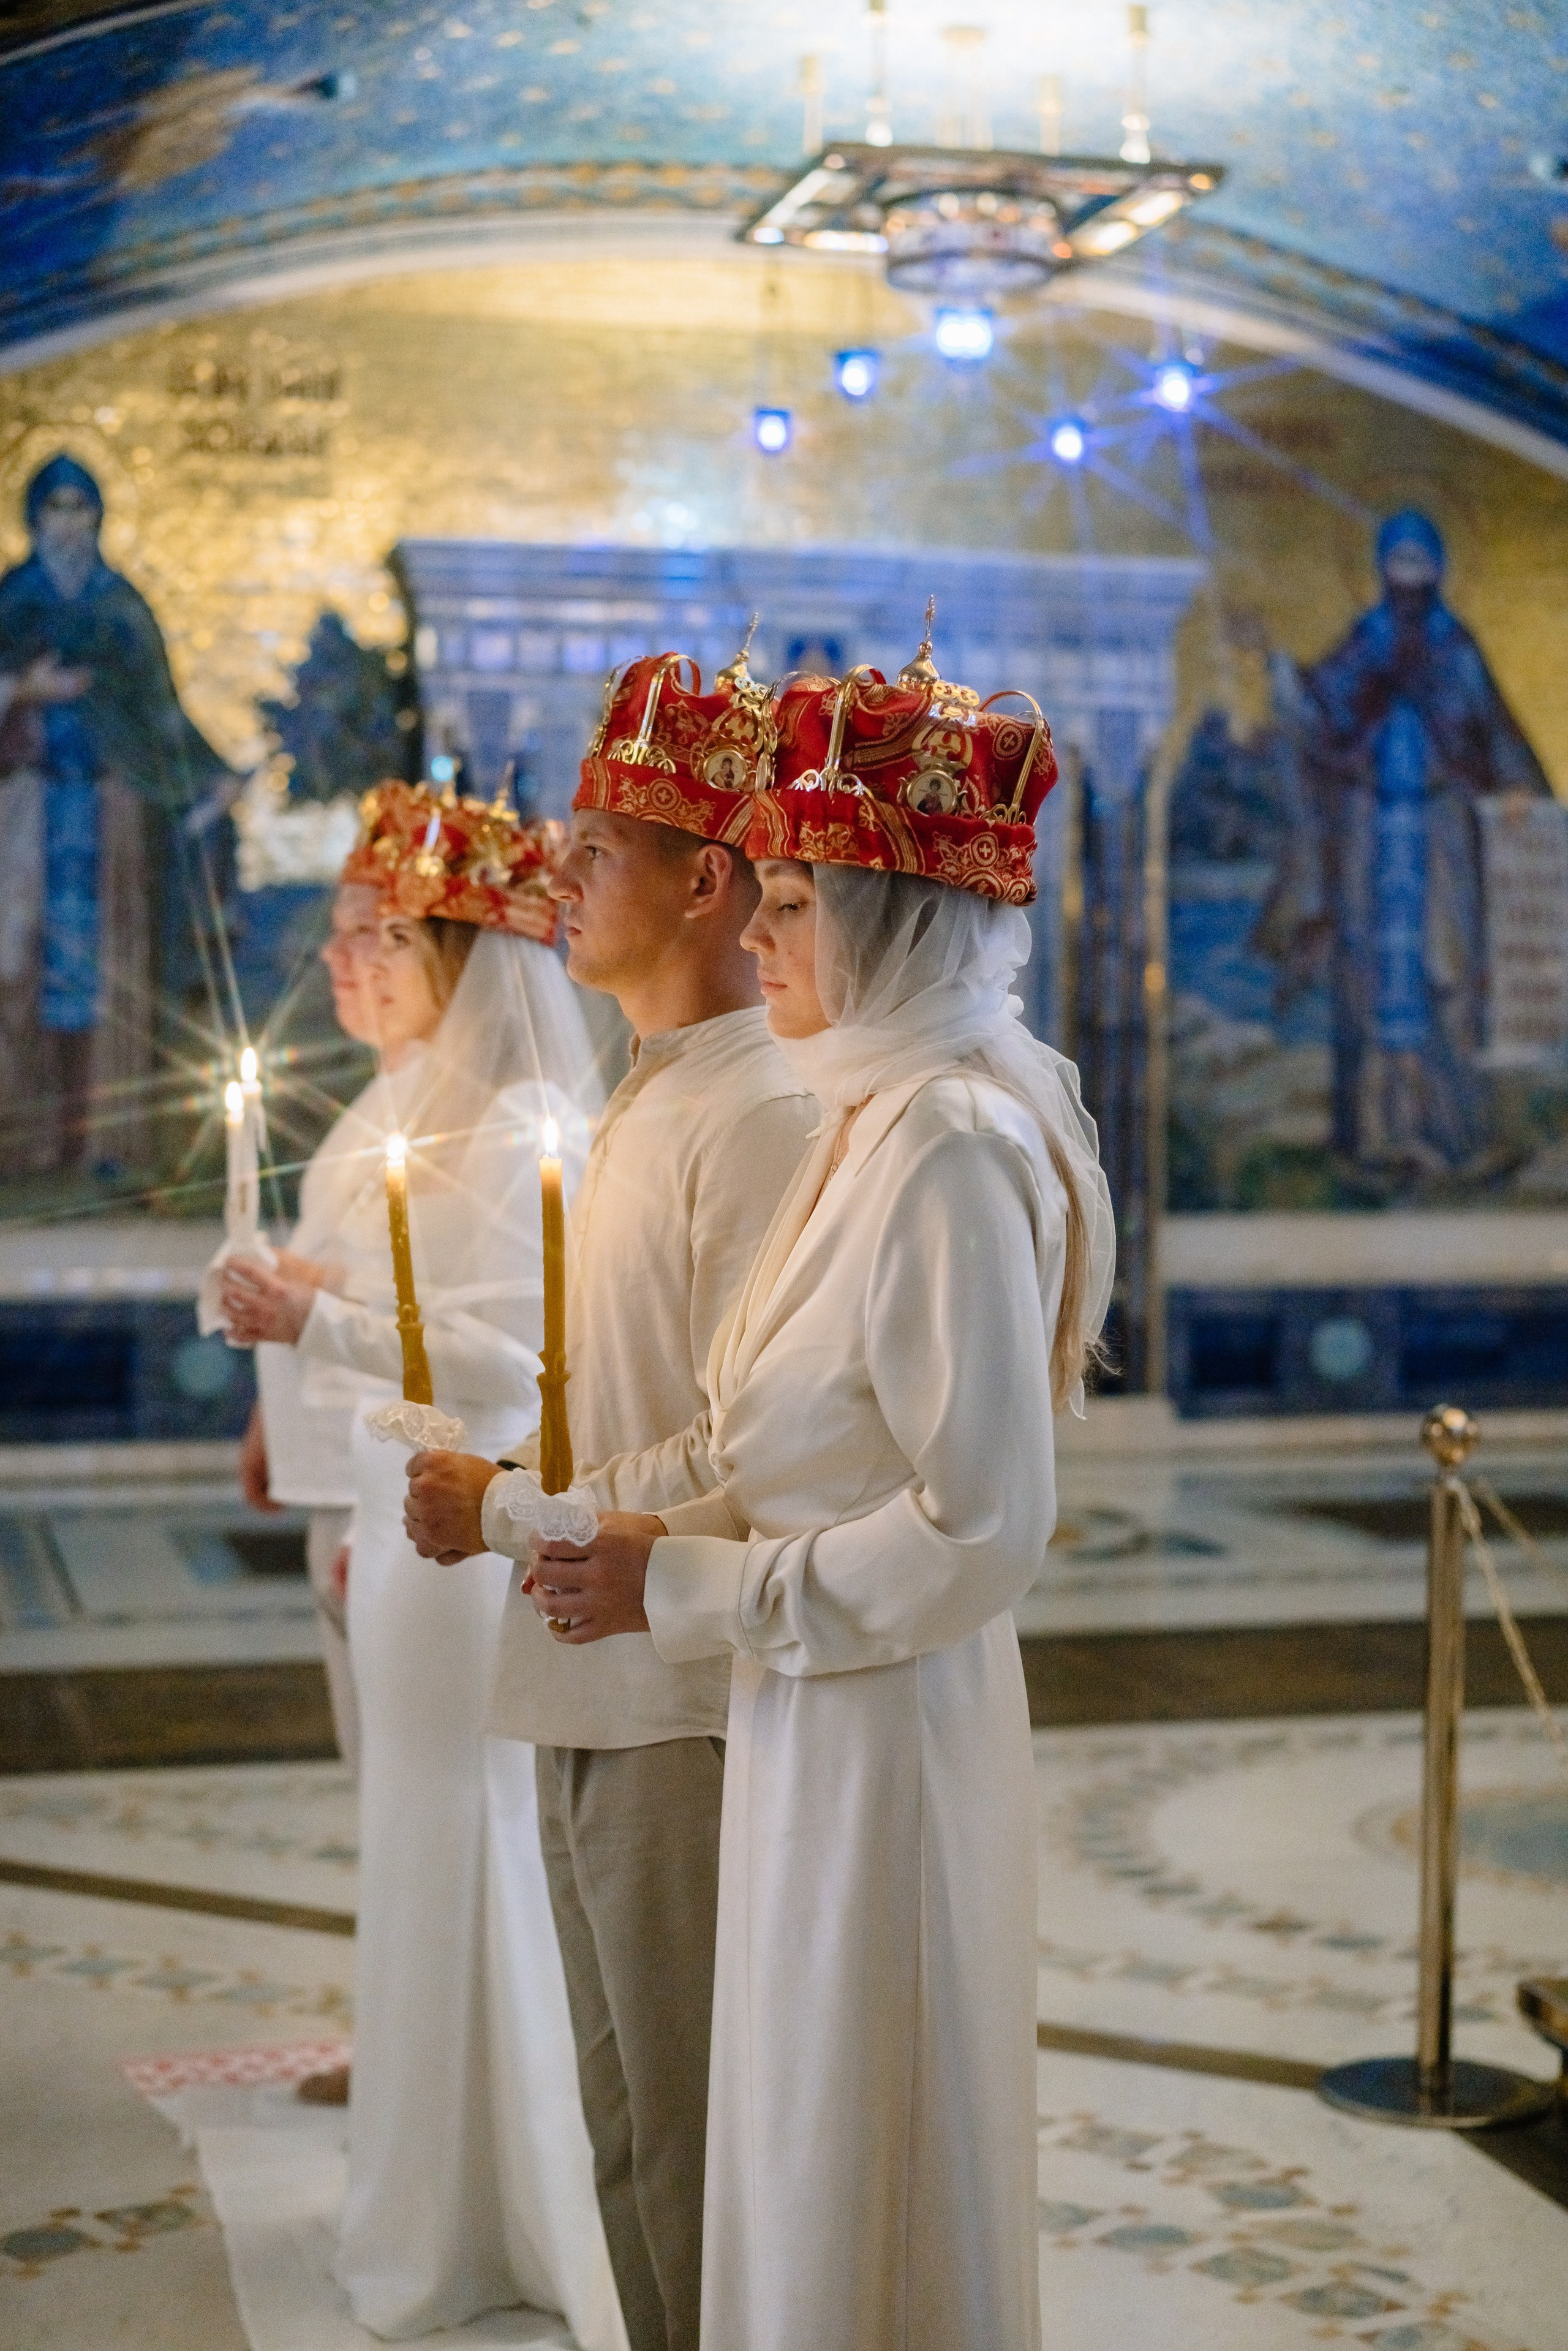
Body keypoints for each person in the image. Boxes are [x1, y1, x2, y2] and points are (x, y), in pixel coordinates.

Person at [522, 635, 1115, 2351]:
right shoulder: (863, 1120)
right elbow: (755, 1437)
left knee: (865, 2129)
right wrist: (587, 1523)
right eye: (764, 893)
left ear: (891, 921)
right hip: (808, 1707)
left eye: (789, 897)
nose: (760, 934)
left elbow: (983, 1520)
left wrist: (695, 1592)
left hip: (886, 1730)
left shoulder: (947, 1143)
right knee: (791, 2139)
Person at [402, 644, 816, 2351]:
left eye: (598, 847)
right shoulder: (648, 1091)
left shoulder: (767, 1111)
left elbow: (759, 1451)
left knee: (702, 2140)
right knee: (625, 2129)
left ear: (705, 878)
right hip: (590, 1654)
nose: (561, 877)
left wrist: (510, 1505)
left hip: (686, 1694)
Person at [219, 780, 623, 2350]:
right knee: (415, 1846)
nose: (342, 963)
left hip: (475, 1533)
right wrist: (315, 1458)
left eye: (372, 935)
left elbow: (523, 1364)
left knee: (481, 1843)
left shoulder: (522, 1133)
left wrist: (311, 1317)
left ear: (453, 952)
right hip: (393, 1529)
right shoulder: (387, 1116)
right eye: (336, 935)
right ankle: (429, 2193)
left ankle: (516, 2201)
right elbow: (363, 1351)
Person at [1255, 508, 1552, 1176]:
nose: (1409, 577)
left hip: (1443, 835)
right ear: (1380, 571)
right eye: (1398, 564)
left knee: (1450, 971)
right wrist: (1278, 671)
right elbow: (1319, 712)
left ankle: (1456, 1135)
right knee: (1368, 973)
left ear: (1442, 570)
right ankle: (1375, 1136)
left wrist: (1516, 789)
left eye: (1420, 564)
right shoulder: (1365, 642)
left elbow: (1495, 732)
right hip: (1371, 833)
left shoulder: (1457, 648)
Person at [0, 453, 235, 1177]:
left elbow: (158, 713)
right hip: (28, 812)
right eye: (56, 509)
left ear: (97, 518)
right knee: (21, 964)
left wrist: (212, 776)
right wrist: (24, 690)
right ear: (34, 518)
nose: (69, 524)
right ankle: (25, 1141)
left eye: (81, 509)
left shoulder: (120, 604)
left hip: (109, 816)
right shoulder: (14, 597)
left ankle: (105, 1144)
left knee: (109, 974)